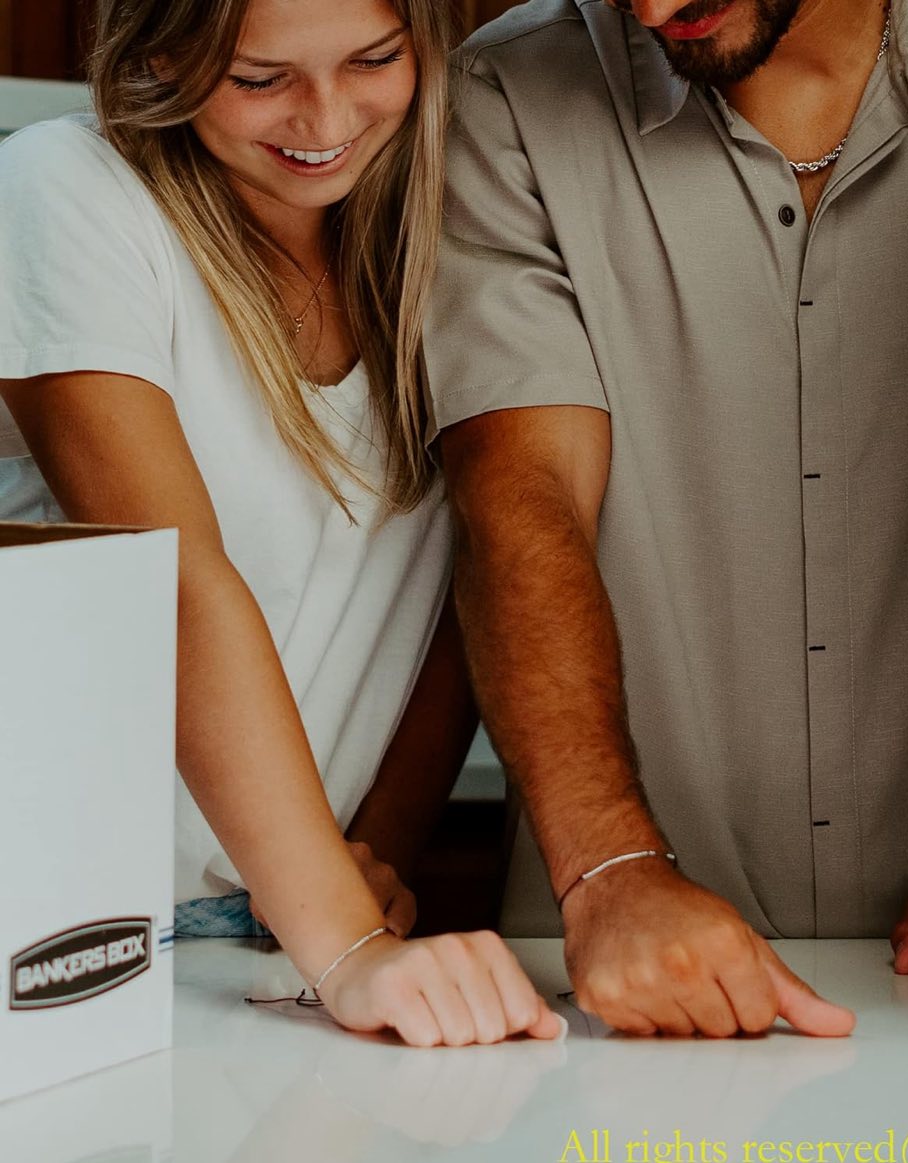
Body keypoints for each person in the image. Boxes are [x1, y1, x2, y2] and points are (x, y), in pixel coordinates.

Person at [0, 0, 560, 1047]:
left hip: (285, 931)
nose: (325, 115)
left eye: (374, 59)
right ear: (162, 52)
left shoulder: (449, 228)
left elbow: (456, 599)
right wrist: (348, 945)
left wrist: (370, 866)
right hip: (61, 915)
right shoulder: (66, 188)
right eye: (261, 78)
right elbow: (172, 584)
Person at [424, 0, 908, 1038]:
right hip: (628, 996)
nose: (649, 6)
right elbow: (519, 493)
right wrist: (612, 867)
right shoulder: (505, 98)